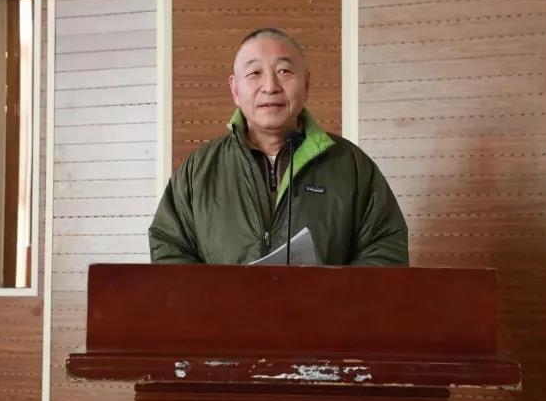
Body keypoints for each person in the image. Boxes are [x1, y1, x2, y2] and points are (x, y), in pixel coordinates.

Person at [149, 28, 408, 265]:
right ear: (235, 89)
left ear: (306, 84)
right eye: (254, 73)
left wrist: (330, 295)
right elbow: (170, 250)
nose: (270, 87)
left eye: (284, 71)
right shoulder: (198, 171)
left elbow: (385, 250)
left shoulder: (350, 164)